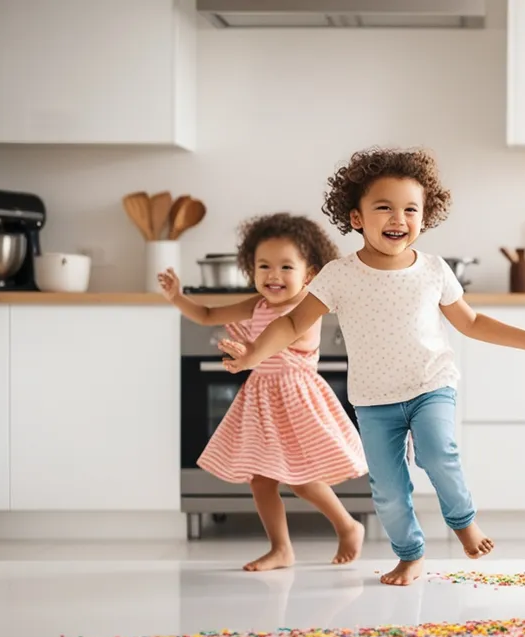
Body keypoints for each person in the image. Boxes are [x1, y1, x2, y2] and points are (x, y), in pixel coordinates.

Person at [219, 147, 525, 586]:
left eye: (410, 209)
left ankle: (462, 522)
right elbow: (292, 321)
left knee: (439, 451)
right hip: (374, 400)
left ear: (425, 217)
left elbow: (472, 322)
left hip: (431, 385)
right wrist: (253, 354)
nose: (398, 218)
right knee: (387, 491)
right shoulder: (338, 275)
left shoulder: (434, 271)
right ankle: (409, 555)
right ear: (356, 218)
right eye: (383, 207)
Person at [158, 212, 368, 571]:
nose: (273, 275)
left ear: (310, 274)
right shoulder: (256, 305)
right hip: (262, 401)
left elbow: (278, 341)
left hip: (297, 399)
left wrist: (250, 353)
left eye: (286, 267)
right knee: (261, 480)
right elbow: (208, 314)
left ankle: (348, 525)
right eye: (264, 266)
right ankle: (281, 548)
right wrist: (177, 297)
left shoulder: (306, 308)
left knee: (302, 480)